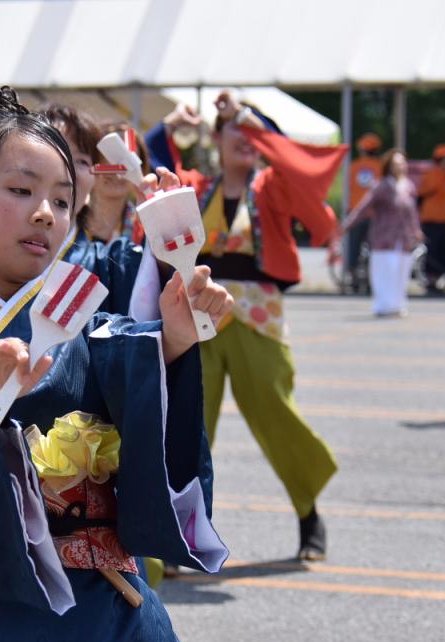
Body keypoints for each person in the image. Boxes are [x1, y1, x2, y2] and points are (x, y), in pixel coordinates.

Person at [0, 86, 231, 642]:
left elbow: (135, 355)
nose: (46, 213)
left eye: (63, 202)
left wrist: (173, 337)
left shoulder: (88, 328)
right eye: (21, 191)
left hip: (109, 615)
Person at [146, 91, 345, 560]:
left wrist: (252, 122)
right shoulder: (197, 184)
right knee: (186, 423)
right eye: (234, 127)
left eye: (255, 130)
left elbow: (305, 176)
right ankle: (176, 535)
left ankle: (309, 513)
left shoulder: (275, 186)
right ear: (215, 137)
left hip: (260, 314)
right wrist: (169, 128)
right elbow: (154, 177)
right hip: (199, 311)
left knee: (277, 414)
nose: (245, 136)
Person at [337, 149, 424, 317]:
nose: (400, 167)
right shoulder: (382, 186)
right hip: (384, 237)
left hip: (403, 237)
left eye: (402, 163)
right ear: (389, 167)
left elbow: (412, 212)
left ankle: (398, 304)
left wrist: (416, 230)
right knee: (385, 271)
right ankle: (383, 305)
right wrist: (347, 224)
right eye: (396, 164)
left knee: (401, 271)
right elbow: (363, 207)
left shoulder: (408, 186)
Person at [85, 120, 150, 244]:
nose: (116, 173)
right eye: (106, 158)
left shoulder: (146, 228)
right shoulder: (69, 219)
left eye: (127, 163)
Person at [417, 143, 445, 293]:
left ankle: (442, 278)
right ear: (441, 159)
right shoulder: (431, 174)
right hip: (431, 220)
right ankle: (431, 279)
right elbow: (421, 194)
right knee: (432, 250)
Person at [344, 133, 383, 291]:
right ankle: (370, 279)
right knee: (374, 248)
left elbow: (348, 188)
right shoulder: (380, 166)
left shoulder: (353, 167)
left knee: (354, 246)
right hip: (374, 213)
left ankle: (353, 277)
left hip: (355, 211)